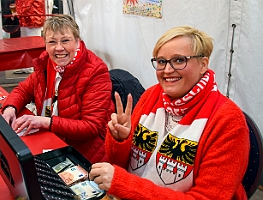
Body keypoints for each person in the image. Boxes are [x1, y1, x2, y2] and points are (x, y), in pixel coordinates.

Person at [89, 26, 250, 199]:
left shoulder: (228, 120)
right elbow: (121, 164)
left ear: (203, 64)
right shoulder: (152, 95)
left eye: (179, 60)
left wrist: (123, 183)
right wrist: (121, 141)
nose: (167, 70)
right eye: (161, 61)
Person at [2, 15, 115, 164]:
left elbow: (91, 127)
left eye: (65, 40)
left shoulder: (95, 71)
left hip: (86, 156)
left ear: (77, 41)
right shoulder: (47, 64)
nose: (59, 48)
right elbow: (23, 90)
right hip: (54, 142)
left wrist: (45, 122)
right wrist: (10, 108)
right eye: (52, 42)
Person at [12, 0, 46, 74]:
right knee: (25, 45)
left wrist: (18, 13)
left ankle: (35, 67)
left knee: (33, 45)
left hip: (33, 19)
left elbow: (27, 3)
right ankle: (27, 67)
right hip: (25, 19)